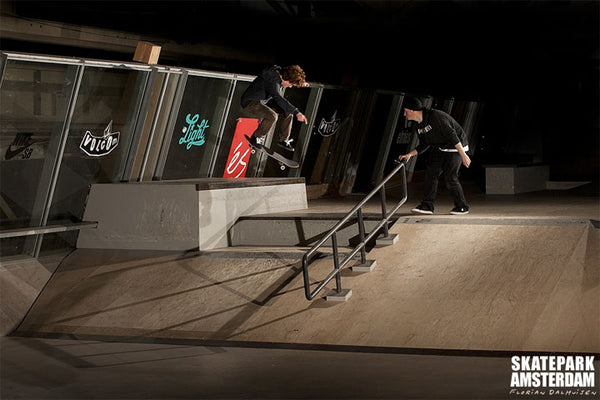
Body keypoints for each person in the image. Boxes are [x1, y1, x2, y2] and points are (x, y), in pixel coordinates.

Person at [397, 96, 472, 215]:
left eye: (406, 112)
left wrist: (463, 155)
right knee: (431, 174)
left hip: (456, 147)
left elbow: (453, 136)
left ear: (413, 110)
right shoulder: (418, 125)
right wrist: (409, 155)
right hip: (441, 147)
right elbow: (424, 144)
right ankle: (427, 206)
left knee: (450, 178)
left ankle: (462, 206)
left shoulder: (436, 117)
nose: (405, 115)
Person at [241, 65, 309, 152]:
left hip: (263, 100)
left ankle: (283, 140)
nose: (290, 86)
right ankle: (255, 137)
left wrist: (301, 82)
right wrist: (297, 112)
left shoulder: (280, 71)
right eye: (291, 84)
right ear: (286, 78)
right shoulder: (273, 83)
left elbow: (291, 75)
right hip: (250, 102)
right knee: (272, 116)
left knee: (287, 111)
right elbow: (279, 99)